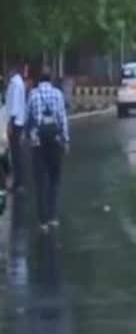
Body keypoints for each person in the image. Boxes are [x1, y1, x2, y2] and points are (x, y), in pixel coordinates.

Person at [25, 68, 69, 232]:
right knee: (54, 180)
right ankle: (53, 217)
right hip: (55, 142)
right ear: (50, 79)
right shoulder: (58, 94)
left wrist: (28, 136)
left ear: (39, 79)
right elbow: (62, 118)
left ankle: (42, 221)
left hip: (38, 143)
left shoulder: (33, 94)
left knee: (41, 181)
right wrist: (66, 140)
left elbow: (27, 115)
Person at [5, 61, 28, 193]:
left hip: (15, 123)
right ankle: (19, 182)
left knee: (15, 154)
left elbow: (13, 105)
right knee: (16, 154)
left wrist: (10, 124)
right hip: (19, 122)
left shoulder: (15, 84)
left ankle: (18, 183)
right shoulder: (19, 83)